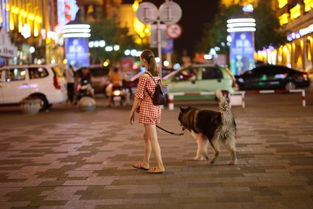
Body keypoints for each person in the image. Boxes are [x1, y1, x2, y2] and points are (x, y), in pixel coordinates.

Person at [129, 49, 165, 174]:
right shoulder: (156, 76)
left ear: (144, 60)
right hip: (156, 109)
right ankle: (145, 162)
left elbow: (138, 96)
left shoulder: (144, 77)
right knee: (146, 137)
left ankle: (160, 166)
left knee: (153, 139)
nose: (140, 61)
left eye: (140, 59)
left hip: (147, 110)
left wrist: (132, 112)